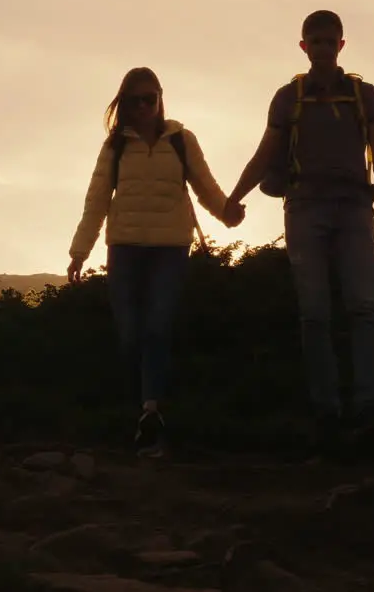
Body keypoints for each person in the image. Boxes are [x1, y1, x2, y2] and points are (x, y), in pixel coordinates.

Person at [222, 9, 374, 449]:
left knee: (363, 307)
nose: (322, 48)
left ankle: (366, 409)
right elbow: (266, 152)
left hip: (355, 207)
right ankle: (326, 413)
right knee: (315, 313)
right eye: (314, 41)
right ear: (303, 47)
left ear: (342, 45)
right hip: (305, 208)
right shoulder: (289, 97)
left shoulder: (364, 95)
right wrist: (234, 197)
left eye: (329, 41)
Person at [68, 66, 244, 458]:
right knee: (130, 334)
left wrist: (228, 213)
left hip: (170, 248)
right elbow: (96, 200)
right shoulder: (115, 147)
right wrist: (80, 251)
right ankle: (138, 410)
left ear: (161, 97)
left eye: (151, 97)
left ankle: (151, 411)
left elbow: (205, 186)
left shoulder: (182, 140)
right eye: (136, 100)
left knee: (157, 328)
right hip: (125, 249)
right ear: (124, 104)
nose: (145, 106)